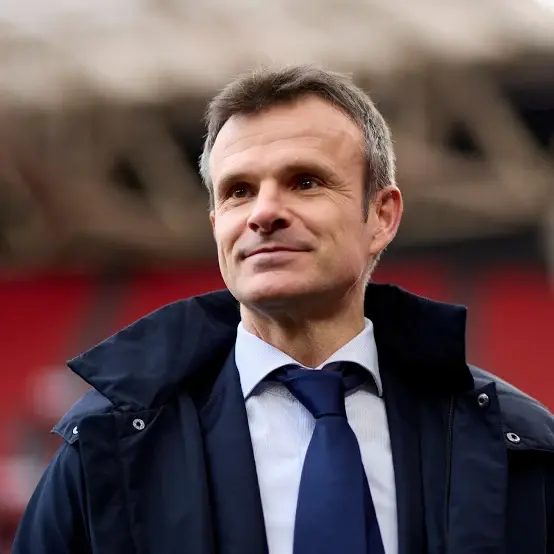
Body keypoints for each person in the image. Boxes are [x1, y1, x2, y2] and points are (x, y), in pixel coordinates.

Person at [12, 64, 554, 554]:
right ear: (217, 227)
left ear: (382, 216)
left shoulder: (517, 442)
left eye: (305, 181)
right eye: (238, 191)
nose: (264, 212)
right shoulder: (104, 446)